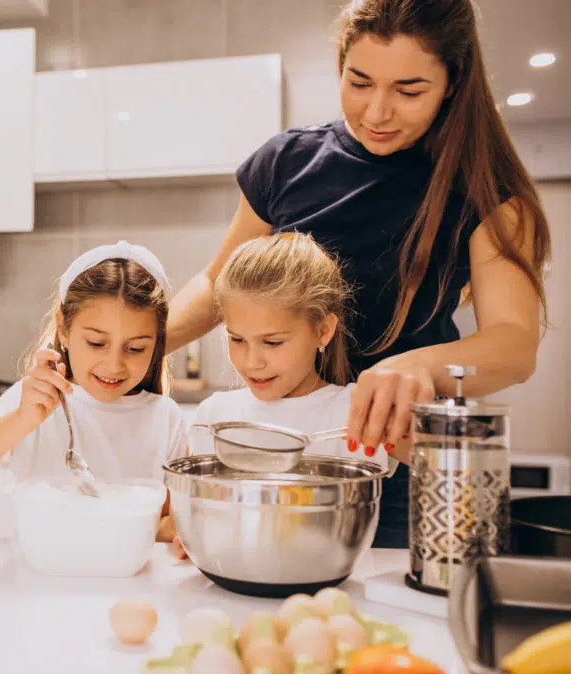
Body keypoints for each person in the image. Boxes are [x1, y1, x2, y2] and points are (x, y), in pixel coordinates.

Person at [166, 0, 551, 548]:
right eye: (359, 81)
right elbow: (216, 283)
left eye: (409, 91)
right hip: (292, 469)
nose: (376, 112)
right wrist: (139, 344)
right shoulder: (286, 163)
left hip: (403, 478)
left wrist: (418, 365)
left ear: (452, 82)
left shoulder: (486, 191)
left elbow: (515, 345)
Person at [0, 241, 188, 539]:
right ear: (64, 329)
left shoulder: (165, 417)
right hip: (41, 577)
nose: (114, 365)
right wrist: (21, 420)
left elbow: (166, 522)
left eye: (135, 348)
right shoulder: (32, 400)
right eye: (96, 343)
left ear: (156, 342)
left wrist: (181, 530)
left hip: (126, 579)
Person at [191, 232, 405, 472]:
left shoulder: (359, 411)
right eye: (237, 339)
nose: (252, 362)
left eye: (272, 343)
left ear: (323, 330)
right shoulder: (214, 416)